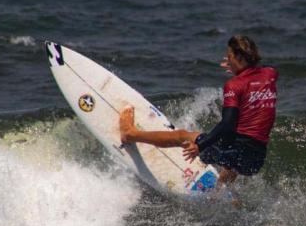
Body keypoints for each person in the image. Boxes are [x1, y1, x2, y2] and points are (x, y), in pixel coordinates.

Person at [118, 35, 278, 186]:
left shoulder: (234, 85)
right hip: (256, 159)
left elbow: (228, 123)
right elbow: (256, 73)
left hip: (238, 152)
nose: (227, 60)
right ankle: (218, 193)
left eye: (229, 57)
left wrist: (200, 146)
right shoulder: (270, 74)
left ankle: (130, 134)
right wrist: (241, 68)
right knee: (231, 147)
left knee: (182, 136)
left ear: (240, 58)